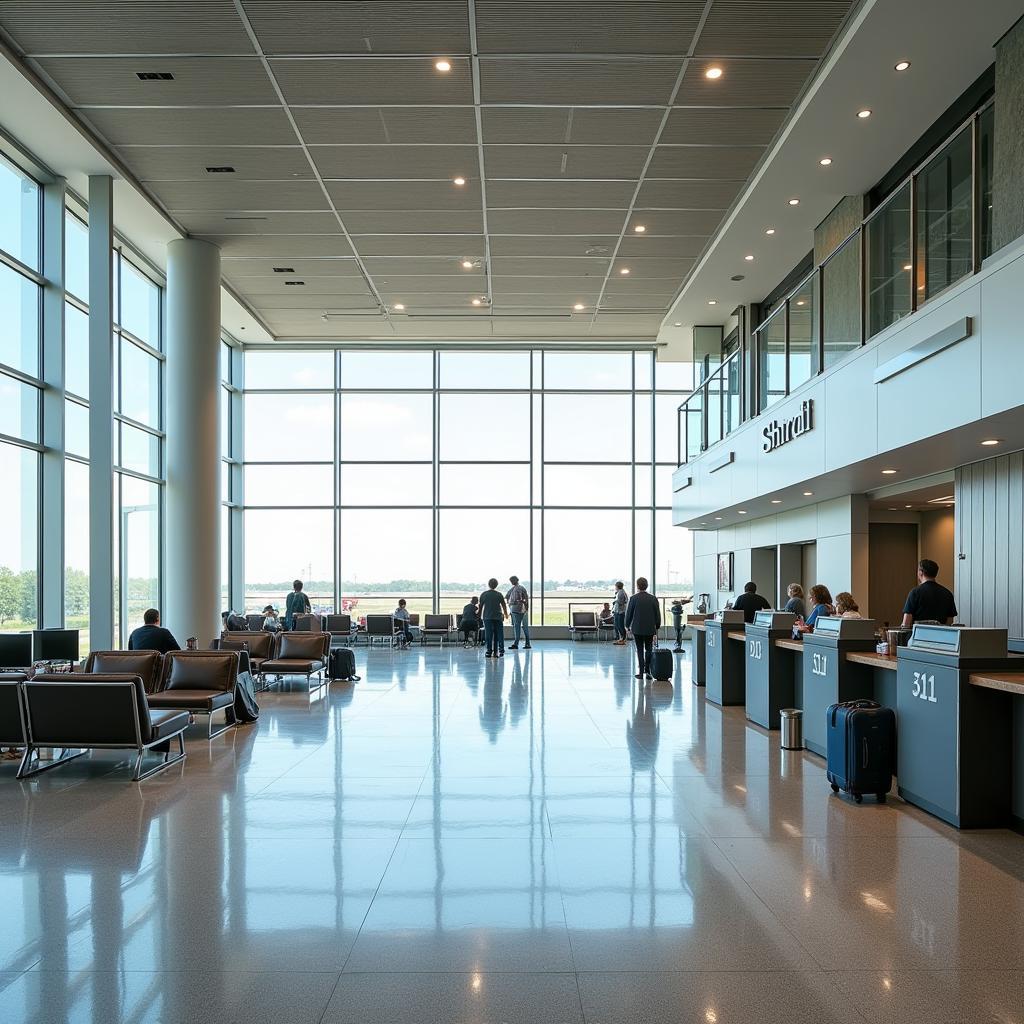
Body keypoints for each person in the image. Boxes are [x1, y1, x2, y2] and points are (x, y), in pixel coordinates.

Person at [901, 559, 957, 627]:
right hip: (941, 636)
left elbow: (906, 623)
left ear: (921, 572)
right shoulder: (948, 594)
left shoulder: (915, 593)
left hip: (919, 636)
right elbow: (949, 622)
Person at [625, 577, 661, 680]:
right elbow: (657, 614)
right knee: (649, 649)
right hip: (650, 628)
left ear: (637, 586)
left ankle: (641, 673)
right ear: (647, 585)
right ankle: (648, 671)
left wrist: (627, 625)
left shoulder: (633, 598)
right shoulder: (653, 598)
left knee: (639, 650)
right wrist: (657, 625)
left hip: (637, 628)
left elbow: (629, 614)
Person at [478, 578, 508, 658]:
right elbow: (504, 605)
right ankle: (499, 650)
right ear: (496, 585)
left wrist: (479, 615)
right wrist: (505, 614)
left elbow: (480, 606)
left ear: (489, 584)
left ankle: (489, 651)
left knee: (488, 634)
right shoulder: (499, 594)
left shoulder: (484, 594)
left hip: (487, 617)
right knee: (499, 634)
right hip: (498, 616)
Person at [505, 575, 531, 650]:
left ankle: (516, 643)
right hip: (523, 610)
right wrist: (526, 608)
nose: (511, 582)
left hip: (516, 610)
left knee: (517, 627)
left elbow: (508, 597)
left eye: (512, 581)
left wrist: (510, 603)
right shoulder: (521, 588)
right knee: (524, 627)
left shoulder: (514, 589)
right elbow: (526, 599)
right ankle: (527, 643)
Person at [612, 581, 629, 645]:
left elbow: (621, 602)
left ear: (617, 586)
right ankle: (621, 638)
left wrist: (615, 601)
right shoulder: (620, 592)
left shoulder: (621, 593)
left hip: (620, 611)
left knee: (620, 625)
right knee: (617, 625)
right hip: (618, 611)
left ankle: (623, 638)